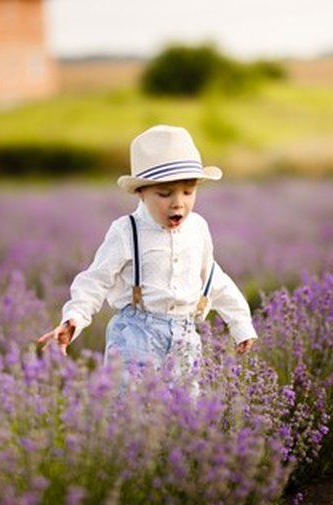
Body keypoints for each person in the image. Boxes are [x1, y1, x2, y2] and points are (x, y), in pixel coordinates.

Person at [37, 124, 256, 377]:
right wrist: (74, 318)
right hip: (136, 337)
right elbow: (95, 280)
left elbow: (212, 278)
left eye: (188, 191)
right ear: (141, 192)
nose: (178, 203)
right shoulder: (127, 231)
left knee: (185, 410)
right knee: (133, 408)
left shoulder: (198, 228)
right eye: (165, 194)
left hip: (186, 338)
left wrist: (240, 324)